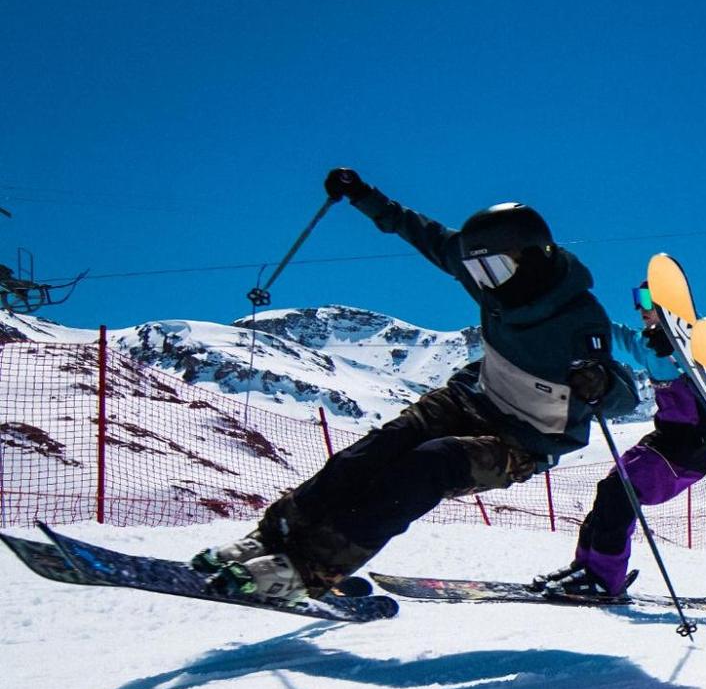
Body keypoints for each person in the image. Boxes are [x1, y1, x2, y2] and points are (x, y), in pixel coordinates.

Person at [193, 168, 638, 602]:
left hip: (525, 441)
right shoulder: (495, 285)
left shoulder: (578, 317)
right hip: (471, 398)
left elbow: (623, 396)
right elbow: (425, 234)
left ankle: (308, 568)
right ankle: (272, 536)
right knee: (373, 452)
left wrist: (600, 384)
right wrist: (363, 195)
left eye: (494, 270)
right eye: (478, 271)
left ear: (533, 257)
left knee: (426, 467)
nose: (486, 283)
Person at [532, 280, 706, 599]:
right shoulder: (646, 343)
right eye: (637, 298)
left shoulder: (692, 345)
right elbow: (613, 333)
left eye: (647, 299)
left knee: (621, 492)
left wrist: (680, 346)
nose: (640, 307)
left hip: (689, 445)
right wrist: (577, 316)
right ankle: (586, 567)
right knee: (611, 489)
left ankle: (606, 579)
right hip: (665, 436)